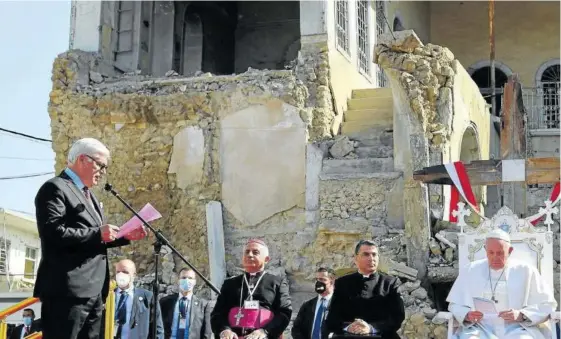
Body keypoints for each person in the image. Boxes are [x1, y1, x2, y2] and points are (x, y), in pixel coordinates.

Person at [34, 138, 148, 339]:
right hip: (68, 291)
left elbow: (94, 238)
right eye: (100, 164)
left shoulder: (90, 196)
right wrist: (98, 233)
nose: (103, 171)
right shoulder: (55, 188)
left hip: (94, 291)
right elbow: (53, 233)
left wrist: (123, 236)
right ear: (82, 160)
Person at [446, 229, 557, 339]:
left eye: (500, 253)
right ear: (485, 250)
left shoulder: (526, 271)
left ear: (510, 251)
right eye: (491, 252)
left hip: (516, 328)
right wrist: (467, 315)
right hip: (479, 328)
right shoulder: (470, 270)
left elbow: (548, 305)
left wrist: (521, 315)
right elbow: (454, 305)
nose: (495, 257)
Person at [211, 239, 292, 339]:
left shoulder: (276, 282)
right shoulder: (230, 284)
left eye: (255, 252)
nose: (250, 255)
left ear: (266, 259)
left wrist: (265, 331)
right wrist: (225, 329)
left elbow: (284, 312)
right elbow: (218, 313)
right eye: (246, 252)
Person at [323, 240, 405, 339]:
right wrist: (348, 327)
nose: (371, 258)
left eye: (374, 255)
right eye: (366, 254)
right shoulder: (342, 283)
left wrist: (371, 328)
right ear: (356, 258)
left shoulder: (390, 283)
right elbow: (332, 317)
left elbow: (397, 317)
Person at [111, 259, 164, 339]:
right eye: (118, 272)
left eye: (125, 272)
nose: (121, 275)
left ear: (134, 275)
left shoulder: (148, 297)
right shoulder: (108, 296)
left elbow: (157, 329)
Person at [160, 268, 212, 339]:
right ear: (178, 281)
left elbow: (207, 333)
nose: (187, 280)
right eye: (184, 278)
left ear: (195, 282)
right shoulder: (165, 302)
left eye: (190, 278)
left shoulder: (203, 305)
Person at [292, 267, 336, 339]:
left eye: (322, 279)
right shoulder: (307, 305)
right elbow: (296, 329)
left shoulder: (340, 304)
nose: (318, 282)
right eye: (316, 279)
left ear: (332, 281)